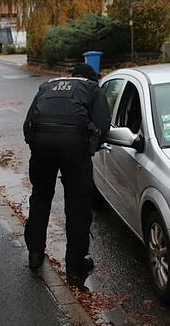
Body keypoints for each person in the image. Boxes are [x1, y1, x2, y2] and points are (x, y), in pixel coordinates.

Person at [23, 63, 111, 276]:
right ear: (92, 78)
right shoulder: (92, 88)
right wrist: (90, 147)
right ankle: (75, 264)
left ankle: (35, 254)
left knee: (40, 197)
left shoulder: (47, 85)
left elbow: (28, 124)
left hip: (42, 145)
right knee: (78, 204)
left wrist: (37, 145)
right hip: (75, 147)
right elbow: (103, 124)